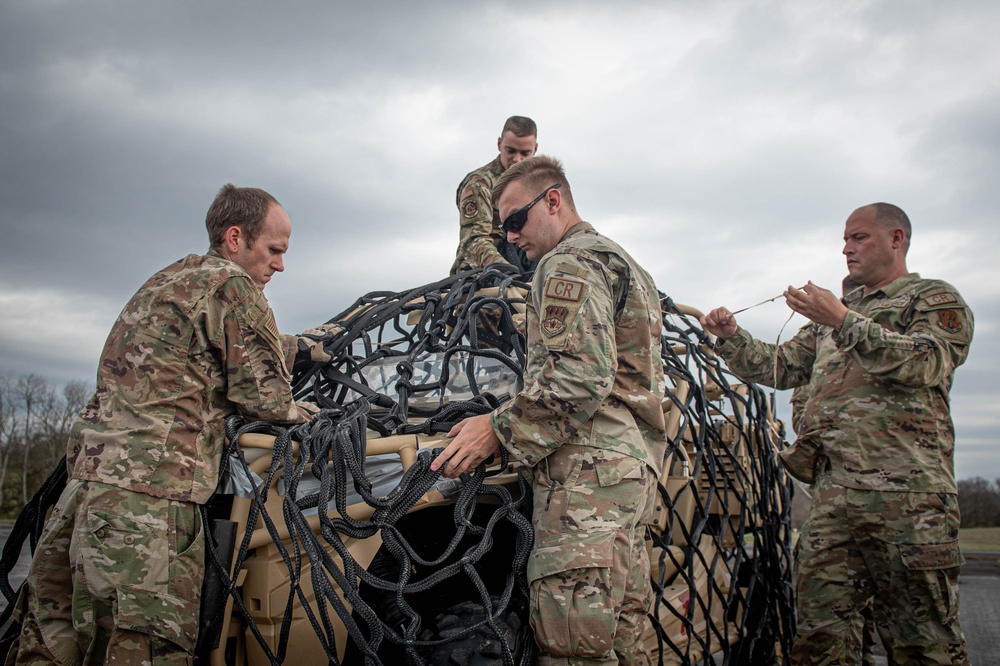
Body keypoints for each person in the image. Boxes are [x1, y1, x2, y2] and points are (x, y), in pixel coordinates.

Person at [8, 184, 316, 665]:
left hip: (84, 498)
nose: (280, 265)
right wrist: (305, 412)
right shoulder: (234, 287)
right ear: (236, 238)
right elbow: (269, 402)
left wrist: (304, 345)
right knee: (145, 649)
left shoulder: (170, 280)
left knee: (51, 646)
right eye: (274, 250)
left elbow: (193, 355)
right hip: (149, 510)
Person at [700, 203, 972, 665]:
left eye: (859, 238)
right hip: (834, 502)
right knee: (822, 640)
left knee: (924, 641)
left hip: (907, 504)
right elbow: (780, 366)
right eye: (845, 240)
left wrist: (843, 321)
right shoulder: (838, 316)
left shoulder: (930, 299)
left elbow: (926, 362)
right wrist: (732, 337)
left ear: (896, 239)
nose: (847, 249)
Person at [432, 156, 667, 664]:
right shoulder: (625, 263)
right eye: (501, 227)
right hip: (628, 479)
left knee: (573, 650)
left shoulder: (567, 264)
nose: (509, 237)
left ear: (553, 201)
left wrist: (498, 429)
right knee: (621, 646)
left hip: (587, 481)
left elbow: (582, 375)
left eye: (516, 220)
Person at [449, 115, 539, 275]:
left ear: (535, 150)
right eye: (510, 151)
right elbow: (473, 241)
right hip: (480, 272)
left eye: (525, 153)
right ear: (499, 144)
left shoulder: (538, 187)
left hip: (526, 264)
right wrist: (508, 273)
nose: (517, 159)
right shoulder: (479, 183)